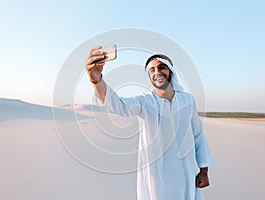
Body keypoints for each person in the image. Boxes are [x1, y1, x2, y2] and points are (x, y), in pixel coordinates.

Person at [85, 46, 213, 200]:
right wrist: (96, 79)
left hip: (186, 173)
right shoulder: (145, 101)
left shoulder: (187, 100)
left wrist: (204, 170)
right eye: (151, 70)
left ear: (171, 71)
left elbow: (198, 134)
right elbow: (118, 106)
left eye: (161, 67)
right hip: (157, 177)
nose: (157, 72)